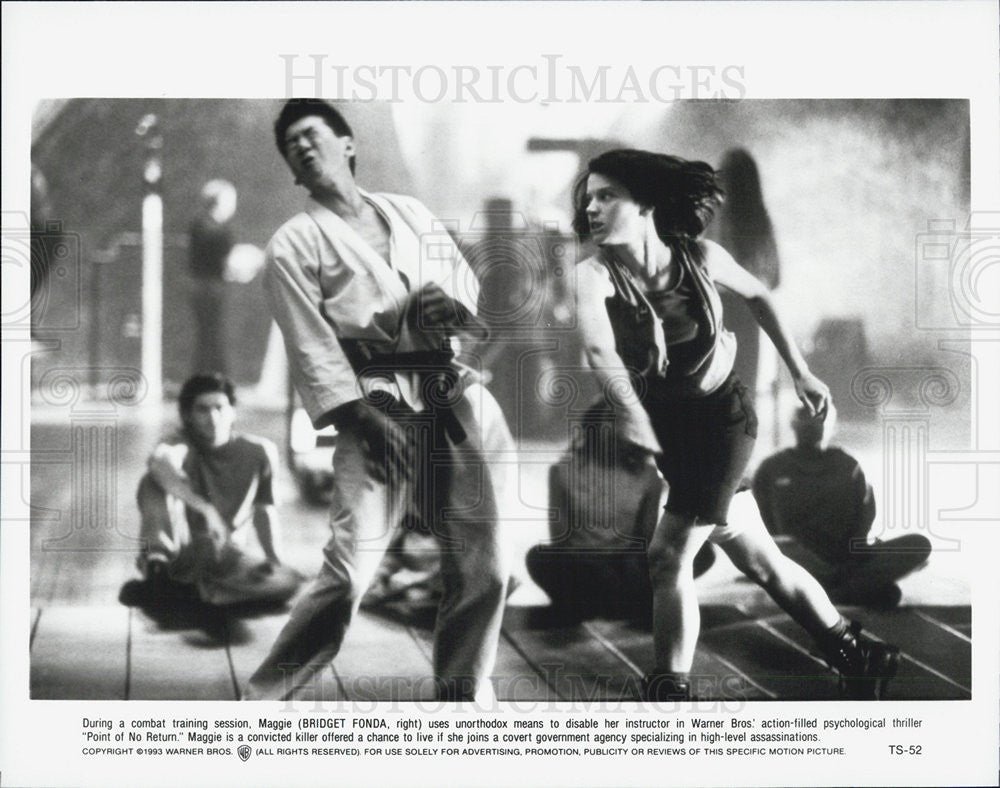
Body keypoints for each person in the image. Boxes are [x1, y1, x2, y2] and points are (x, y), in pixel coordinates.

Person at [572, 149, 899, 701]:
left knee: (668, 555)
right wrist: (630, 410)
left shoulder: (701, 255)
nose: (592, 207)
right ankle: (857, 651)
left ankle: (669, 688)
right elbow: (599, 348)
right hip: (671, 433)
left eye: (608, 195)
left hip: (723, 423)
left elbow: (760, 295)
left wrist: (802, 372)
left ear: (647, 202)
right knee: (760, 559)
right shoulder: (596, 274)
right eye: (589, 198)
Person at [245, 100, 513, 702]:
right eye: (292, 145)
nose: (304, 147)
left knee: (485, 570)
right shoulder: (292, 244)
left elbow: (464, 297)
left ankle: (463, 699)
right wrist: (363, 418)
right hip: (374, 406)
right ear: (292, 169)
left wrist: (446, 308)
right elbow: (311, 347)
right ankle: (259, 705)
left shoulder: (410, 213)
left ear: (347, 144)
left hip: (449, 394)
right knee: (347, 576)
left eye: (312, 134)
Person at [526, 400, 716, 624]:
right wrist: (595, 566)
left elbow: (644, 538)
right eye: (610, 422)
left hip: (627, 565)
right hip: (582, 564)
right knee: (539, 556)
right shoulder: (561, 471)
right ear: (592, 426)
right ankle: (624, 601)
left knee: (700, 551)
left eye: (622, 423)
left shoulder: (648, 476)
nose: (616, 430)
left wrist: (630, 566)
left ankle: (604, 601)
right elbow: (560, 537)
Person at [124, 373, 302, 608]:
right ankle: (160, 571)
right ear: (188, 415)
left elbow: (264, 513)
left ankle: (193, 595)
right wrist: (207, 510)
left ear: (233, 411)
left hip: (226, 555)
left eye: (220, 407)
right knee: (153, 481)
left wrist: (274, 561)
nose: (213, 417)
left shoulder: (259, 452)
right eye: (202, 410)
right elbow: (159, 463)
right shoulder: (178, 443)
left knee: (287, 581)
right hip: (181, 554)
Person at [753, 403, 931, 608]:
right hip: (796, 556)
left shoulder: (847, 465)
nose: (812, 425)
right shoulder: (771, 468)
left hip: (845, 557)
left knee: (919, 544)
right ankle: (852, 588)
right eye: (805, 420)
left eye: (819, 419)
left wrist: (857, 551)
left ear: (831, 425)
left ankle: (832, 589)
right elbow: (758, 522)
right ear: (793, 425)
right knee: (778, 549)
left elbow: (865, 516)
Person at [189, 179, 237, 376]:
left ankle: (206, 377)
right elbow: (225, 265)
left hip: (198, 287)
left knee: (205, 336)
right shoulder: (220, 231)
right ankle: (214, 378)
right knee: (212, 336)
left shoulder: (197, 226)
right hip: (212, 288)